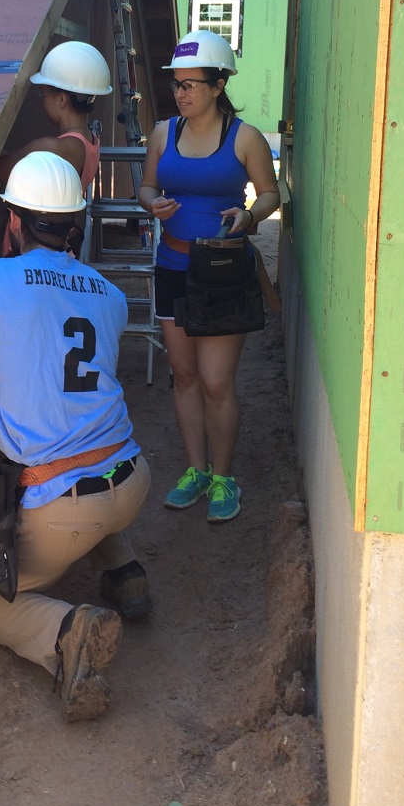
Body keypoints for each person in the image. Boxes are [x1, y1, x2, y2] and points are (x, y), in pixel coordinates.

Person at [0, 151, 151, 723]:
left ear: (15, 221)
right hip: (132, 477)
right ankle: (126, 573)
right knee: (87, 457)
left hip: (62, 506)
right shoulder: (108, 292)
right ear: (75, 223)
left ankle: (69, 629)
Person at [137, 32, 280, 523]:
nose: (181, 93)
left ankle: (223, 477)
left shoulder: (244, 137)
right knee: (185, 376)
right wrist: (149, 202)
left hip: (221, 271)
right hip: (173, 266)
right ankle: (195, 471)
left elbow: (269, 194)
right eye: (177, 85)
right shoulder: (162, 133)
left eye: (192, 85)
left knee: (217, 382)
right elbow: (148, 183)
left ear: (219, 85)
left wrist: (250, 216)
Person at [0, 41, 113, 242]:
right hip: (53, 244)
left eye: (43, 94)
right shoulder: (90, 140)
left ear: (62, 99)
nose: (42, 100)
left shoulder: (55, 148)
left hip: (32, 247)